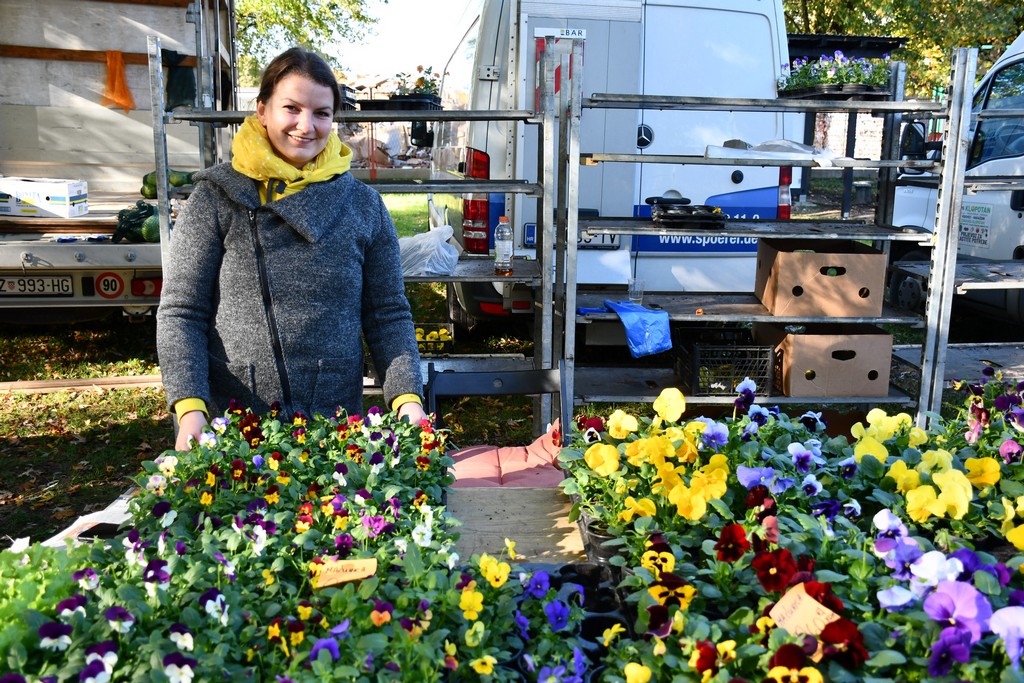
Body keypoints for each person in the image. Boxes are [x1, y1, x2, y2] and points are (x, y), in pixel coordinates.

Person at [157, 47, 427, 451]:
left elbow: (387, 314)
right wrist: (190, 407)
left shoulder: (364, 206)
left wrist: (408, 401)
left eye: (322, 112)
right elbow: (182, 312)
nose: (307, 125)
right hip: (232, 422)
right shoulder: (215, 198)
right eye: (292, 108)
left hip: (335, 424)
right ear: (262, 110)